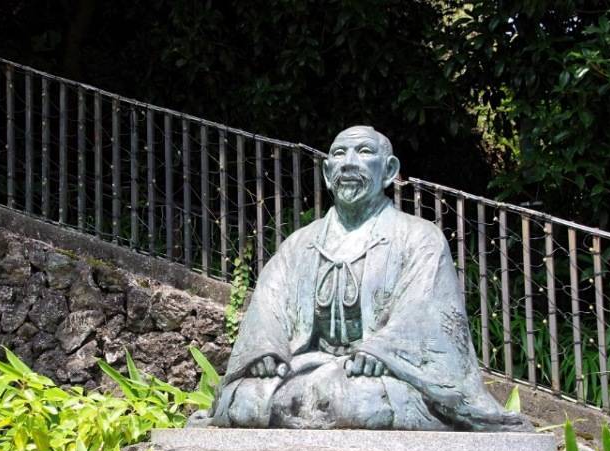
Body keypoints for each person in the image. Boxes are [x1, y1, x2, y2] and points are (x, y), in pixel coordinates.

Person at [192, 126, 531, 431]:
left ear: (389, 170)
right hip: (304, 369)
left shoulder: (419, 237)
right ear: (327, 173)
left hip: (381, 377)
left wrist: (381, 352)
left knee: (359, 405)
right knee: (246, 402)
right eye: (339, 154)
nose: (349, 163)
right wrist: (267, 352)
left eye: (364, 152)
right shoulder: (300, 244)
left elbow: (425, 311)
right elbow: (269, 305)